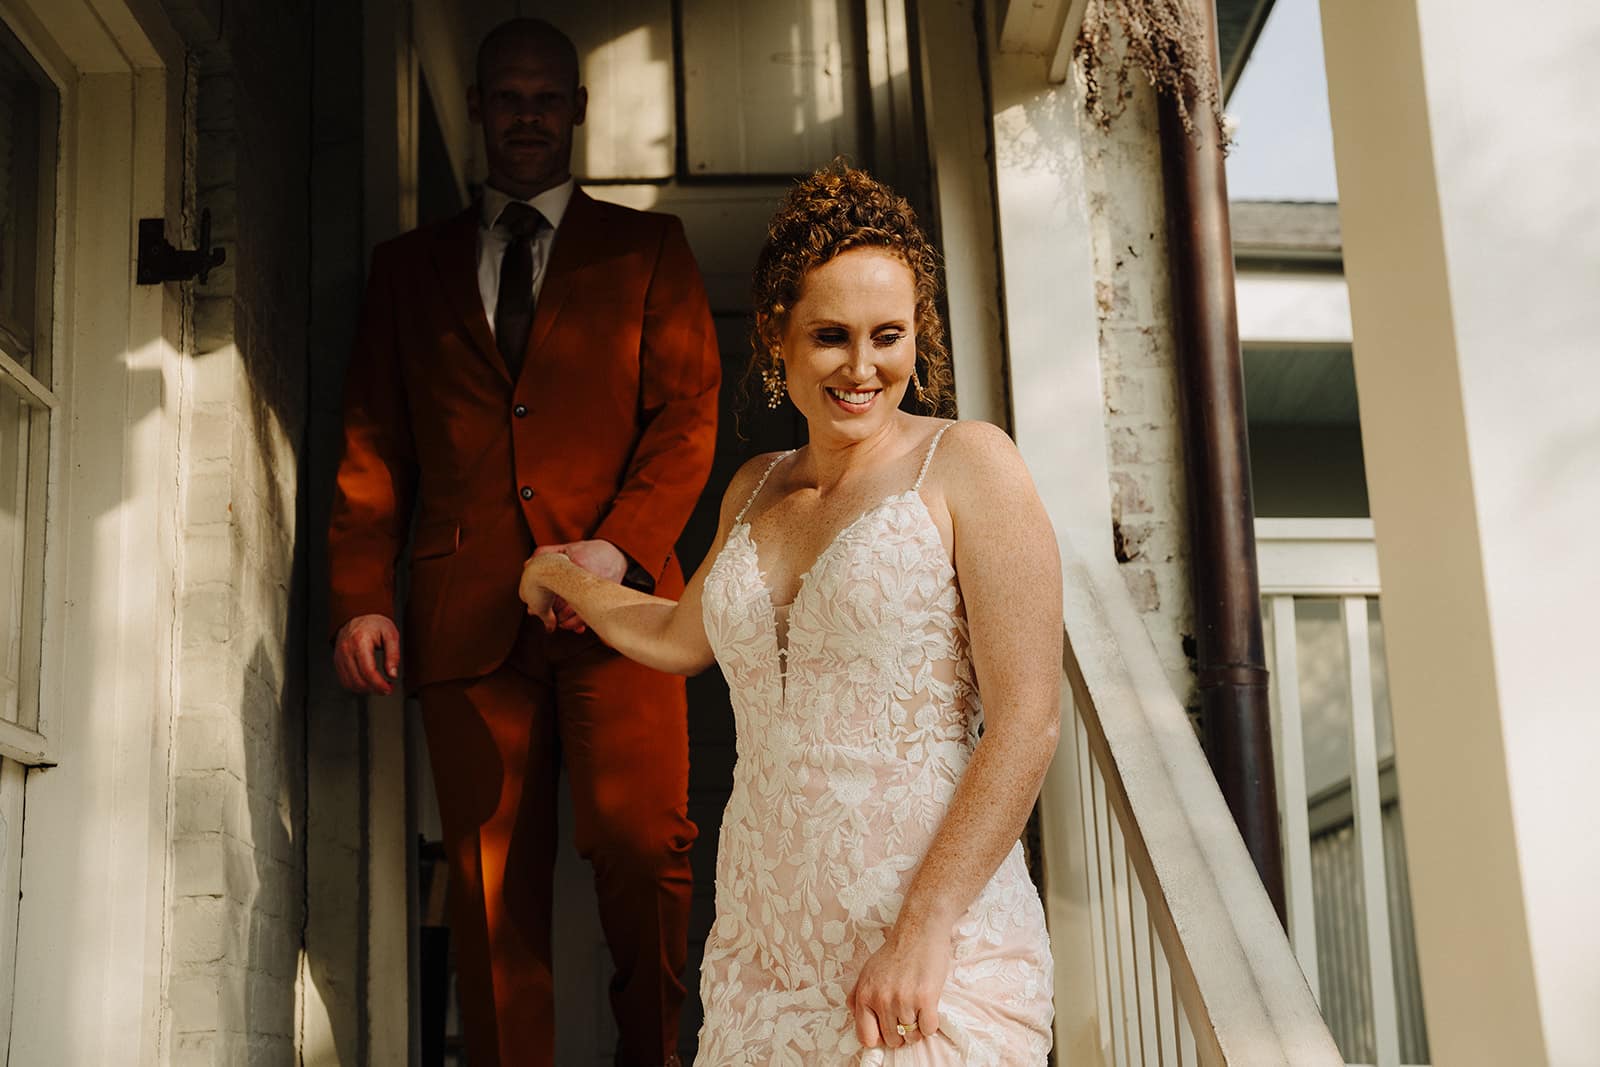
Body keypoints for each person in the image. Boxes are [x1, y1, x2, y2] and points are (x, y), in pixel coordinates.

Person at [520, 165, 1059, 1065]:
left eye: (889, 336)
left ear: (918, 333)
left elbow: (1028, 721)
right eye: (830, 336)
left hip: (927, 952)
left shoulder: (972, 463)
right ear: (777, 335)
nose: (863, 367)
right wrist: (561, 576)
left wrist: (922, 930)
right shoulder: (755, 486)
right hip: (762, 954)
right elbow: (678, 635)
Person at [327, 18, 718, 1067]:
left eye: (548, 98)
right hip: (467, 618)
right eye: (509, 97)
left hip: (623, 610)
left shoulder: (649, 250)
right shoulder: (407, 270)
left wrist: (617, 551)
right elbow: (374, 441)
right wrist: (361, 593)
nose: (529, 116)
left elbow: (687, 419)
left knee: (644, 844)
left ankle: (654, 1055)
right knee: (490, 884)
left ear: (578, 110)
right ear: (478, 108)